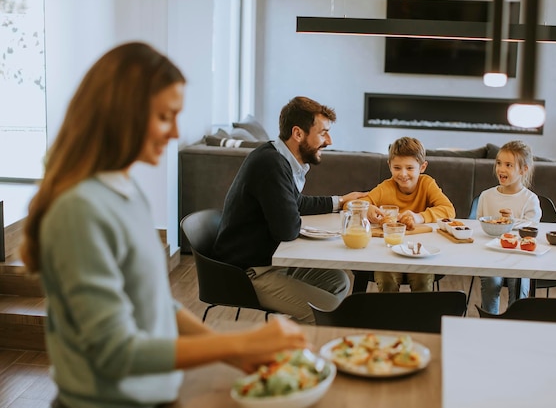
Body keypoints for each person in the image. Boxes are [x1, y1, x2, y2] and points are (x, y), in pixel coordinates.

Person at [20, 42, 307, 408]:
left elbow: (157, 306)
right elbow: (115, 352)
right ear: (123, 113)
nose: (175, 133)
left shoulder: (125, 190)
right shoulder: (79, 210)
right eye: (164, 116)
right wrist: (241, 342)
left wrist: (235, 357)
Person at [213, 96, 366, 324]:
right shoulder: (271, 164)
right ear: (298, 134)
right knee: (330, 311)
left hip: (272, 261)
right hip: (248, 272)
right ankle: (293, 339)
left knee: (338, 280)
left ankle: (296, 332)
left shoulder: (278, 158)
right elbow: (287, 230)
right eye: (323, 133)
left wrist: (341, 201)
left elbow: (294, 203)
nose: (329, 140)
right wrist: (296, 215)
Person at [362, 137, 455, 292]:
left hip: (421, 250)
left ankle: (418, 316)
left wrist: (418, 217)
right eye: (397, 168)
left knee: (423, 280)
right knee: (386, 279)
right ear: (389, 166)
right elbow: (358, 204)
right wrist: (368, 209)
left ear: (422, 166)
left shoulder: (427, 184)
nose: (403, 174)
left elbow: (448, 209)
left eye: (410, 168)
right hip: (388, 251)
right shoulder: (386, 187)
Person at [477, 140, 542, 314]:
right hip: (491, 256)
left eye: (508, 165)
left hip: (520, 258)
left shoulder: (530, 200)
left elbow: (532, 230)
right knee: (491, 281)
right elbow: (479, 227)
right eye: (499, 163)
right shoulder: (486, 196)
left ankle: (515, 323)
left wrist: (512, 221)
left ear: (523, 170)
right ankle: (489, 322)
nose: (501, 169)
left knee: (519, 282)